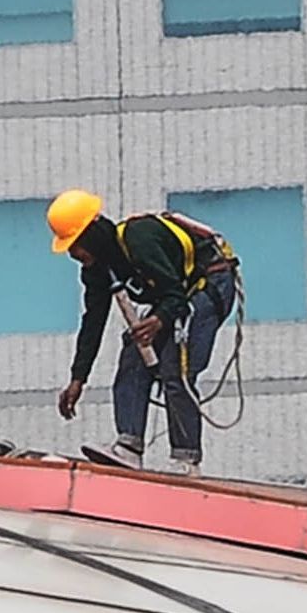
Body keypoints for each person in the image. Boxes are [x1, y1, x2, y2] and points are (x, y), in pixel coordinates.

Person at [46, 190, 239, 472]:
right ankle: (129, 446)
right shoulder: (97, 270)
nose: (74, 254)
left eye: (76, 245)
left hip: (210, 283)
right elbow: (93, 322)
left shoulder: (139, 240)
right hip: (177, 295)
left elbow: (174, 294)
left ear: (92, 236)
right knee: (134, 352)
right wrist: (78, 377)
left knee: (176, 368)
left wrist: (159, 319)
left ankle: (186, 460)